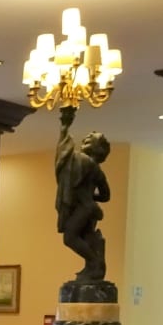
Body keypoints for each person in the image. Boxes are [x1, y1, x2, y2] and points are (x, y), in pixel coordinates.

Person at [54, 105, 112, 282]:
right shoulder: (97, 170)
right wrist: (91, 198)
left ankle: (95, 262)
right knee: (86, 238)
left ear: (97, 148)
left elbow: (64, 156)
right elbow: (106, 195)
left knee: (70, 237)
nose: (86, 138)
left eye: (91, 139)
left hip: (84, 208)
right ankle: (93, 265)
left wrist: (65, 127)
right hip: (89, 208)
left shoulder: (83, 160)